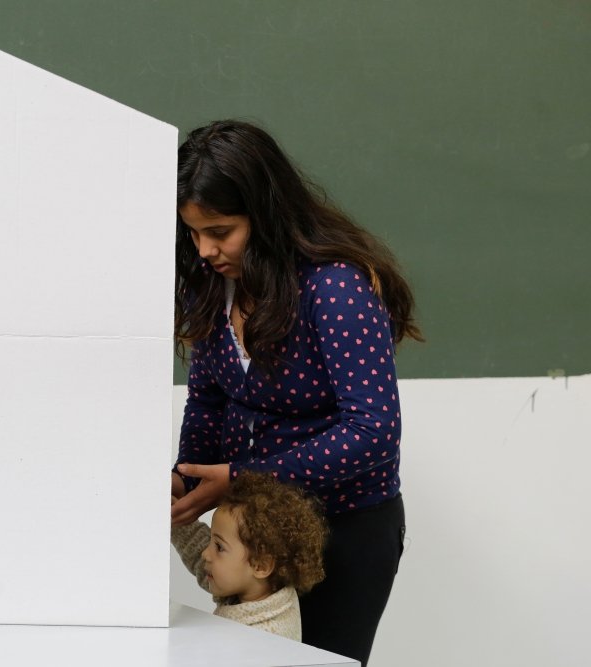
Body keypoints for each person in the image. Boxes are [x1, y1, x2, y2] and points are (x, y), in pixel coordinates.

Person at [169, 119, 423, 666]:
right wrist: (187, 476)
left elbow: (373, 431)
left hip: (345, 533)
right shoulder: (213, 288)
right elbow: (208, 401)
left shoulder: (334, 287)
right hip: (256, 532)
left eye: (220, 231)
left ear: (265, 215)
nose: (205, 249)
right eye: (193, 233)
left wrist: (240, 477)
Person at [171, 471, 327, 641]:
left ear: (260, 566)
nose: (205, 553)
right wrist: (172, 516)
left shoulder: (262, 639)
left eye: (219, 547)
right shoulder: (260, 588)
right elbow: (197, 551)